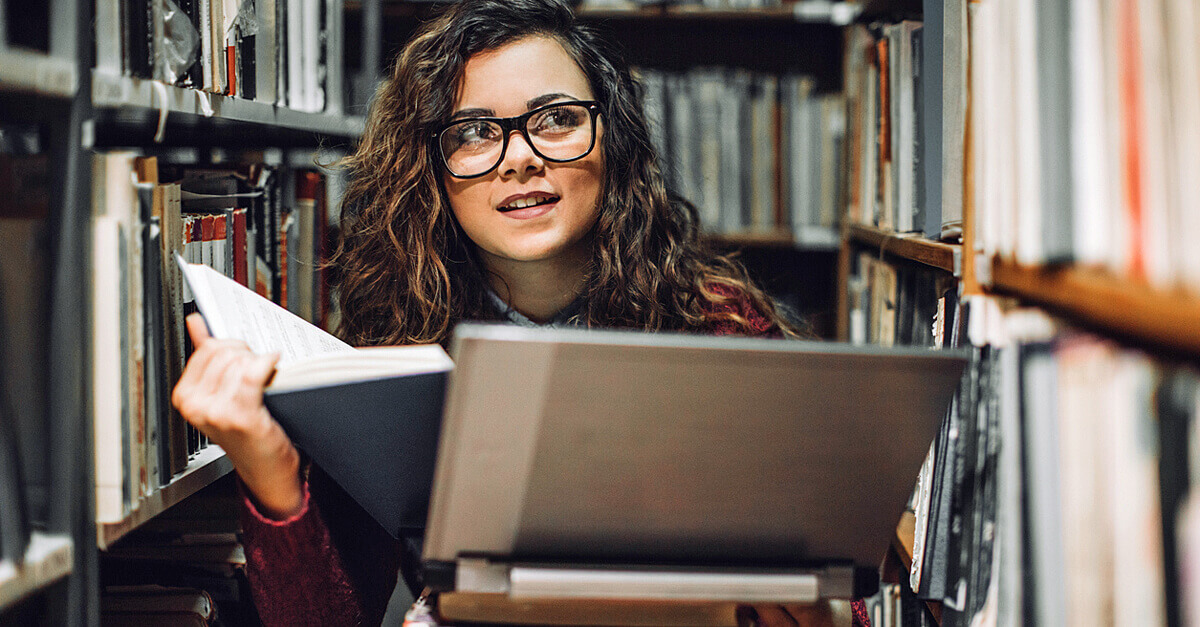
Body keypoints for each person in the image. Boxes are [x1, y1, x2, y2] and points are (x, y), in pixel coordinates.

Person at [172, 1, 869, 625]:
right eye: (474, 132)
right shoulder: (397, 348)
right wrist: (270, 474)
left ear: (612, 139)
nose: (520, 158)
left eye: (557, 119)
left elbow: (839, 594)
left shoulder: (724, 327)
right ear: (432, 171)